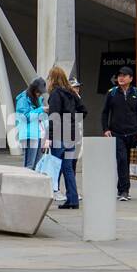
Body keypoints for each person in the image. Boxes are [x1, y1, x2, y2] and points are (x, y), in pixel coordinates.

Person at [101, 66, 137, 202]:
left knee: (128, 162)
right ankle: (124, 191)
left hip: (133, 133)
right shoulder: (112, 93)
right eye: (119, 75)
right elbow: (105, 112)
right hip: (117, 133)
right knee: (121, 160)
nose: (121, 78)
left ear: (130, 78)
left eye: (124, 75)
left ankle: (123, 189)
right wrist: (106, 129)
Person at [46, 66, 86, 210]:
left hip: (59, 135)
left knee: (55, 167)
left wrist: (49, 137)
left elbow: (53, 117)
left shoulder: (56, 94)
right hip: (71, 135)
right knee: (68, 168)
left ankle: (53, 194)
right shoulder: (72, 93)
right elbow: (83, 110)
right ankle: (73, 199)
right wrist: (72, 121)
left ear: (52, 79)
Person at [14, 78, 48, 170]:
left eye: (41, 92)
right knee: (29, 166)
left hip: (40, 134)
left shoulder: (39, 99)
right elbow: (24, 117)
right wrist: (41, 110)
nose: (39, 94)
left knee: (37, 166)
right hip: (29, 135)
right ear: (33, 89)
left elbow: (42, 118)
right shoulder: (23, 99)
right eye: (38, 92)